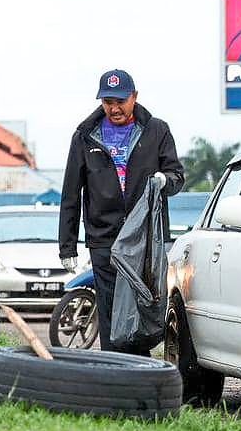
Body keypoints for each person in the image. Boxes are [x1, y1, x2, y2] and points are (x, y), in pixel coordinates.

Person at [58, 69, 184, 355]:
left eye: (120, 101)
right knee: (110, 307)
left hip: (145, 239)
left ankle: (141, 367)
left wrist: (165, 181)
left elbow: (177, 177)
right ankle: (114, 370)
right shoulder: (85, 136)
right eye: (107, 102)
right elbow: (70, 194)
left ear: (134, 97)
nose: (114, 108)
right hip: (105, 238)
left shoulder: (157, 131)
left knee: (144, 304)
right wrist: (67, 246)